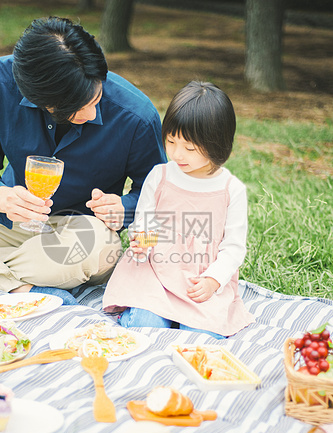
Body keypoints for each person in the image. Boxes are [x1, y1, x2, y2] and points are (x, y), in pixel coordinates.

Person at [0, 17, 166, 304]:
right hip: (7, 222)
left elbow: (157, 198)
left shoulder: (136, 117)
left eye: (96, 100)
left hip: (78, 233)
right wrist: (0, 197)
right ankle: (18, 287)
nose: (90, 115)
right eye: (77, 109)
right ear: (37, 98)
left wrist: (123, 207)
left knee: (103, 248)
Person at [103, 80, 255, 337]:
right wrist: (143, 242)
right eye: (171, 142)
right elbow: (145, 223)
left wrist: (213, 280)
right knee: (143, 325)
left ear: (217, 144)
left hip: (200, 278)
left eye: (189, 148)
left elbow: (234, 247)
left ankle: (189, 318)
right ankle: (144, 310)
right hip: (157, 273)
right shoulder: (160, 176)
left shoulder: (231, 189)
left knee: (201, 335)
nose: (177, 154)